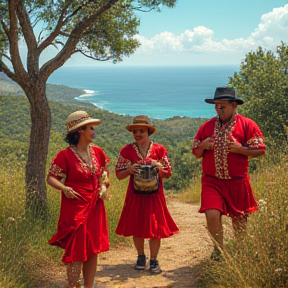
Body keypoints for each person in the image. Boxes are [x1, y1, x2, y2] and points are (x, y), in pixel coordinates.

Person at [192, 87, 265, 261]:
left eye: (223, 106)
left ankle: (241, 254)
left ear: (234, 106)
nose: (219, 109)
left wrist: (241, 149)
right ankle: (219, 251)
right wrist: (203, 146)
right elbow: (196, 153)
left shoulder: (247, 125)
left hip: (237, 182)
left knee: (239, 222)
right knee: (211, 215)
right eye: (217, 106)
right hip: (211, 182)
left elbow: (260, 150)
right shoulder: (207, 126)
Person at [46, 110, 110, 288]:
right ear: (80, 130)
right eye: (90, 127)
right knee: (76, 248)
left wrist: (104, 186)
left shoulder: (98, 152)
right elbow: (51, 178)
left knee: (92, 248)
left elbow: (104, 173)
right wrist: (64, 188)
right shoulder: (64, 155)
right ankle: (73, 285)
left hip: (95, 206)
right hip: (75, 207)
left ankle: (88, 285)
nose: (94, 131)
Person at [115, 115, 179, 274]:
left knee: (155, 226)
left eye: (141, 131)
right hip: (135, 194)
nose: (137, 134)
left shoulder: (159, 149)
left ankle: (154, 259)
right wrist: (129, 170)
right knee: (137, 226)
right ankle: (141, 256)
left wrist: (158, 167)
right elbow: (118, 174)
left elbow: (167, 173)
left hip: (154, 194)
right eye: (135, 131)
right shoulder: (126, 150)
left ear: (148, 131)